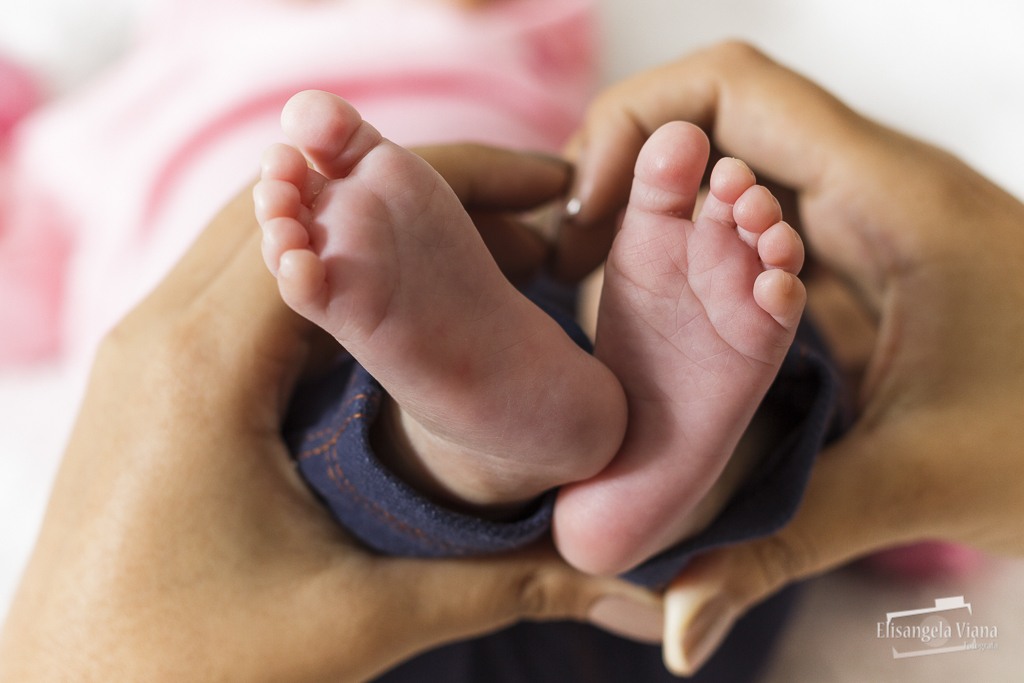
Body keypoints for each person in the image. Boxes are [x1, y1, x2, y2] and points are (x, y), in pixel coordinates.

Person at [0, 146, 663, 682]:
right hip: (406, 326)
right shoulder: (123, 94)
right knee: (345, 418)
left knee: (352, 421)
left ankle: (656, 449)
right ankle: (665, 438)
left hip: (541, 602)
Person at [557, 40, 1024, 675]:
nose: (869, 340)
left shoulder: (950, 469)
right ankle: (654, 442)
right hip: (612, 623)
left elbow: (932, 569)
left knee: (792, 405)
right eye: (827, 279)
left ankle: (688, 463)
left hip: (655, 605)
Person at [253, 89, 808, 575]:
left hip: (497, 288)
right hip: (517, 288)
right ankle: (691, 497)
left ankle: (457, 458)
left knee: (321, 431)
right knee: (796, 380)